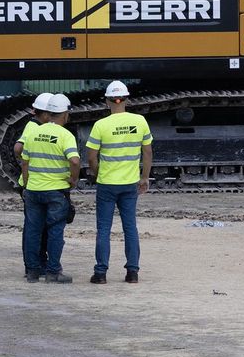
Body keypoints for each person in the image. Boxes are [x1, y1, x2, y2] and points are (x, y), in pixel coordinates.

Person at [84, 80, 152, 284]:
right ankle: (132, 272)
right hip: (130, 183)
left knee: (103, 229)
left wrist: (97, 174)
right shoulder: (140, 121)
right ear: (126, 99)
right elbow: (147, 152)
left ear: (107, 101)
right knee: (130, 227)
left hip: (107, 184)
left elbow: (91, 157)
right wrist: (144, 177)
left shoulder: (100, 125)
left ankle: (101, 273)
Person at [20, 92, 80, 283]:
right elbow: (75, 160)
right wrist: (73, 179)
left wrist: (28, 183)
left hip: (34, 190)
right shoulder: (65, 135)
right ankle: (53, 272)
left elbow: (24, 162)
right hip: (56, 192)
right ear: (65, 114)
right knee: (55, 231)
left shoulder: (34, 132)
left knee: (32, 230)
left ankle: (32, 272)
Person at [16, 93, 53, 278]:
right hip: (35, 185)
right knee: (37, 228)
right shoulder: (33, 127)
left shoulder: (36, 126)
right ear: (45, 114)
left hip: (34, 184)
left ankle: (34, 266)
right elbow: (18, 149)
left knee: (35, 227)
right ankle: (35, 264)